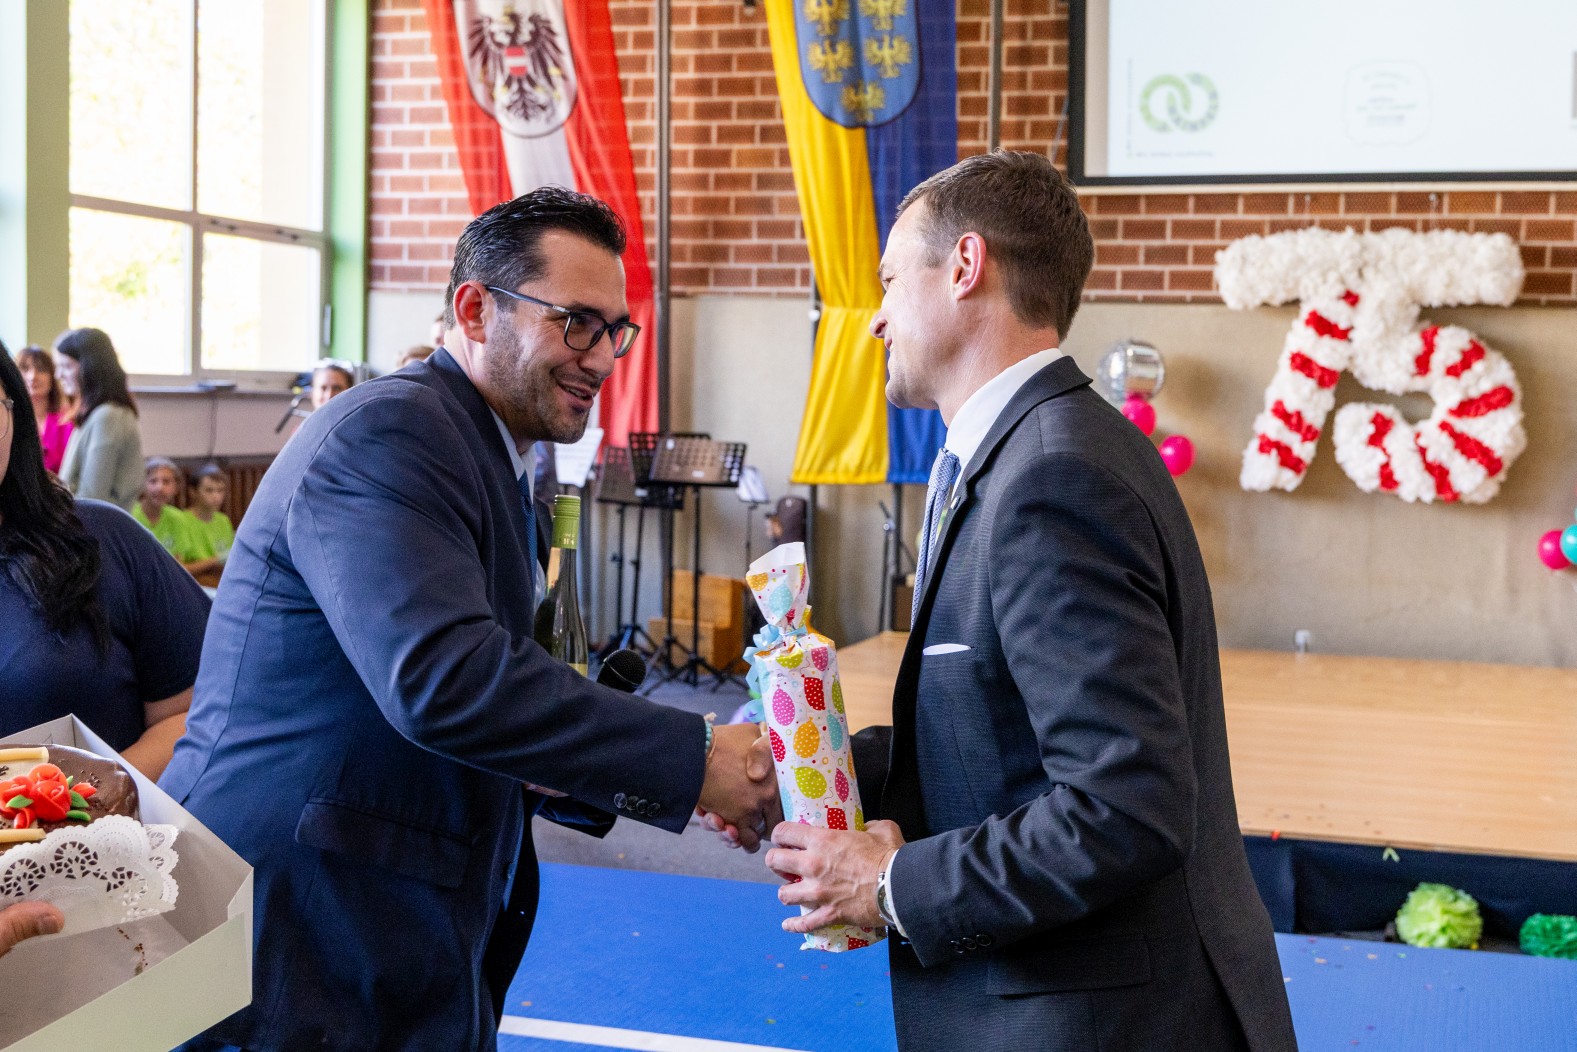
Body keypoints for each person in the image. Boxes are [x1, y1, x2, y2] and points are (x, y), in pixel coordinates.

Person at [160, 187, 777, 1051]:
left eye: (615, 330)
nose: (603, 358)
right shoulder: (390, 433)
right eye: (576, 323)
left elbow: (487, 690)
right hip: (303, 916)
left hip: (388, 901)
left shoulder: (490, 454)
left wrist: (603, 765)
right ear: (476, 309)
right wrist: (698, 758)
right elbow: (443, 680)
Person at [750, 153, 1298, 1051]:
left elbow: (1124, 806)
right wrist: (797, 764)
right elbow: (1002, 742)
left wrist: (887, 885)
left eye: (889, 280)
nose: (876, 317)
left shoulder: (1052, 475)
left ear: (965, 267)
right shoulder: (1031, 448)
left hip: (1102, 1022)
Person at [0, 344, 209, 782]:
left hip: (105, 821)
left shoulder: (104, 539)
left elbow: (198, 708)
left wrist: (89, 800)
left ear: (14, 414)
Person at [55, 328, 144, 511]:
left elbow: (92, 498)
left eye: (67, 366)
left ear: (90, 368)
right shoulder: (95, 415)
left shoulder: (108, 416)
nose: (59, 375)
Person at [132, 457, 213, 573]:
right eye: (153, 481)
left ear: (176, 488)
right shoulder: (128, 514)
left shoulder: (178, 518)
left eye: (166, 482)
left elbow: (178, 566)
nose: (160, 488)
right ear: (142, 485)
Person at [14, 345, 73, 474]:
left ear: (53, 375)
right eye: (25, 369)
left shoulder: (69, 420)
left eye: (41, 369)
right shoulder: (9, 420)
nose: (32, 376)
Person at [186, 464, 234, 568]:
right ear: (193, 492)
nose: (216, 496)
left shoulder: (223, 520)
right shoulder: (181, 520)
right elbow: (179, 568)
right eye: (209, 490)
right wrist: (216, 560)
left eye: (220, 490)